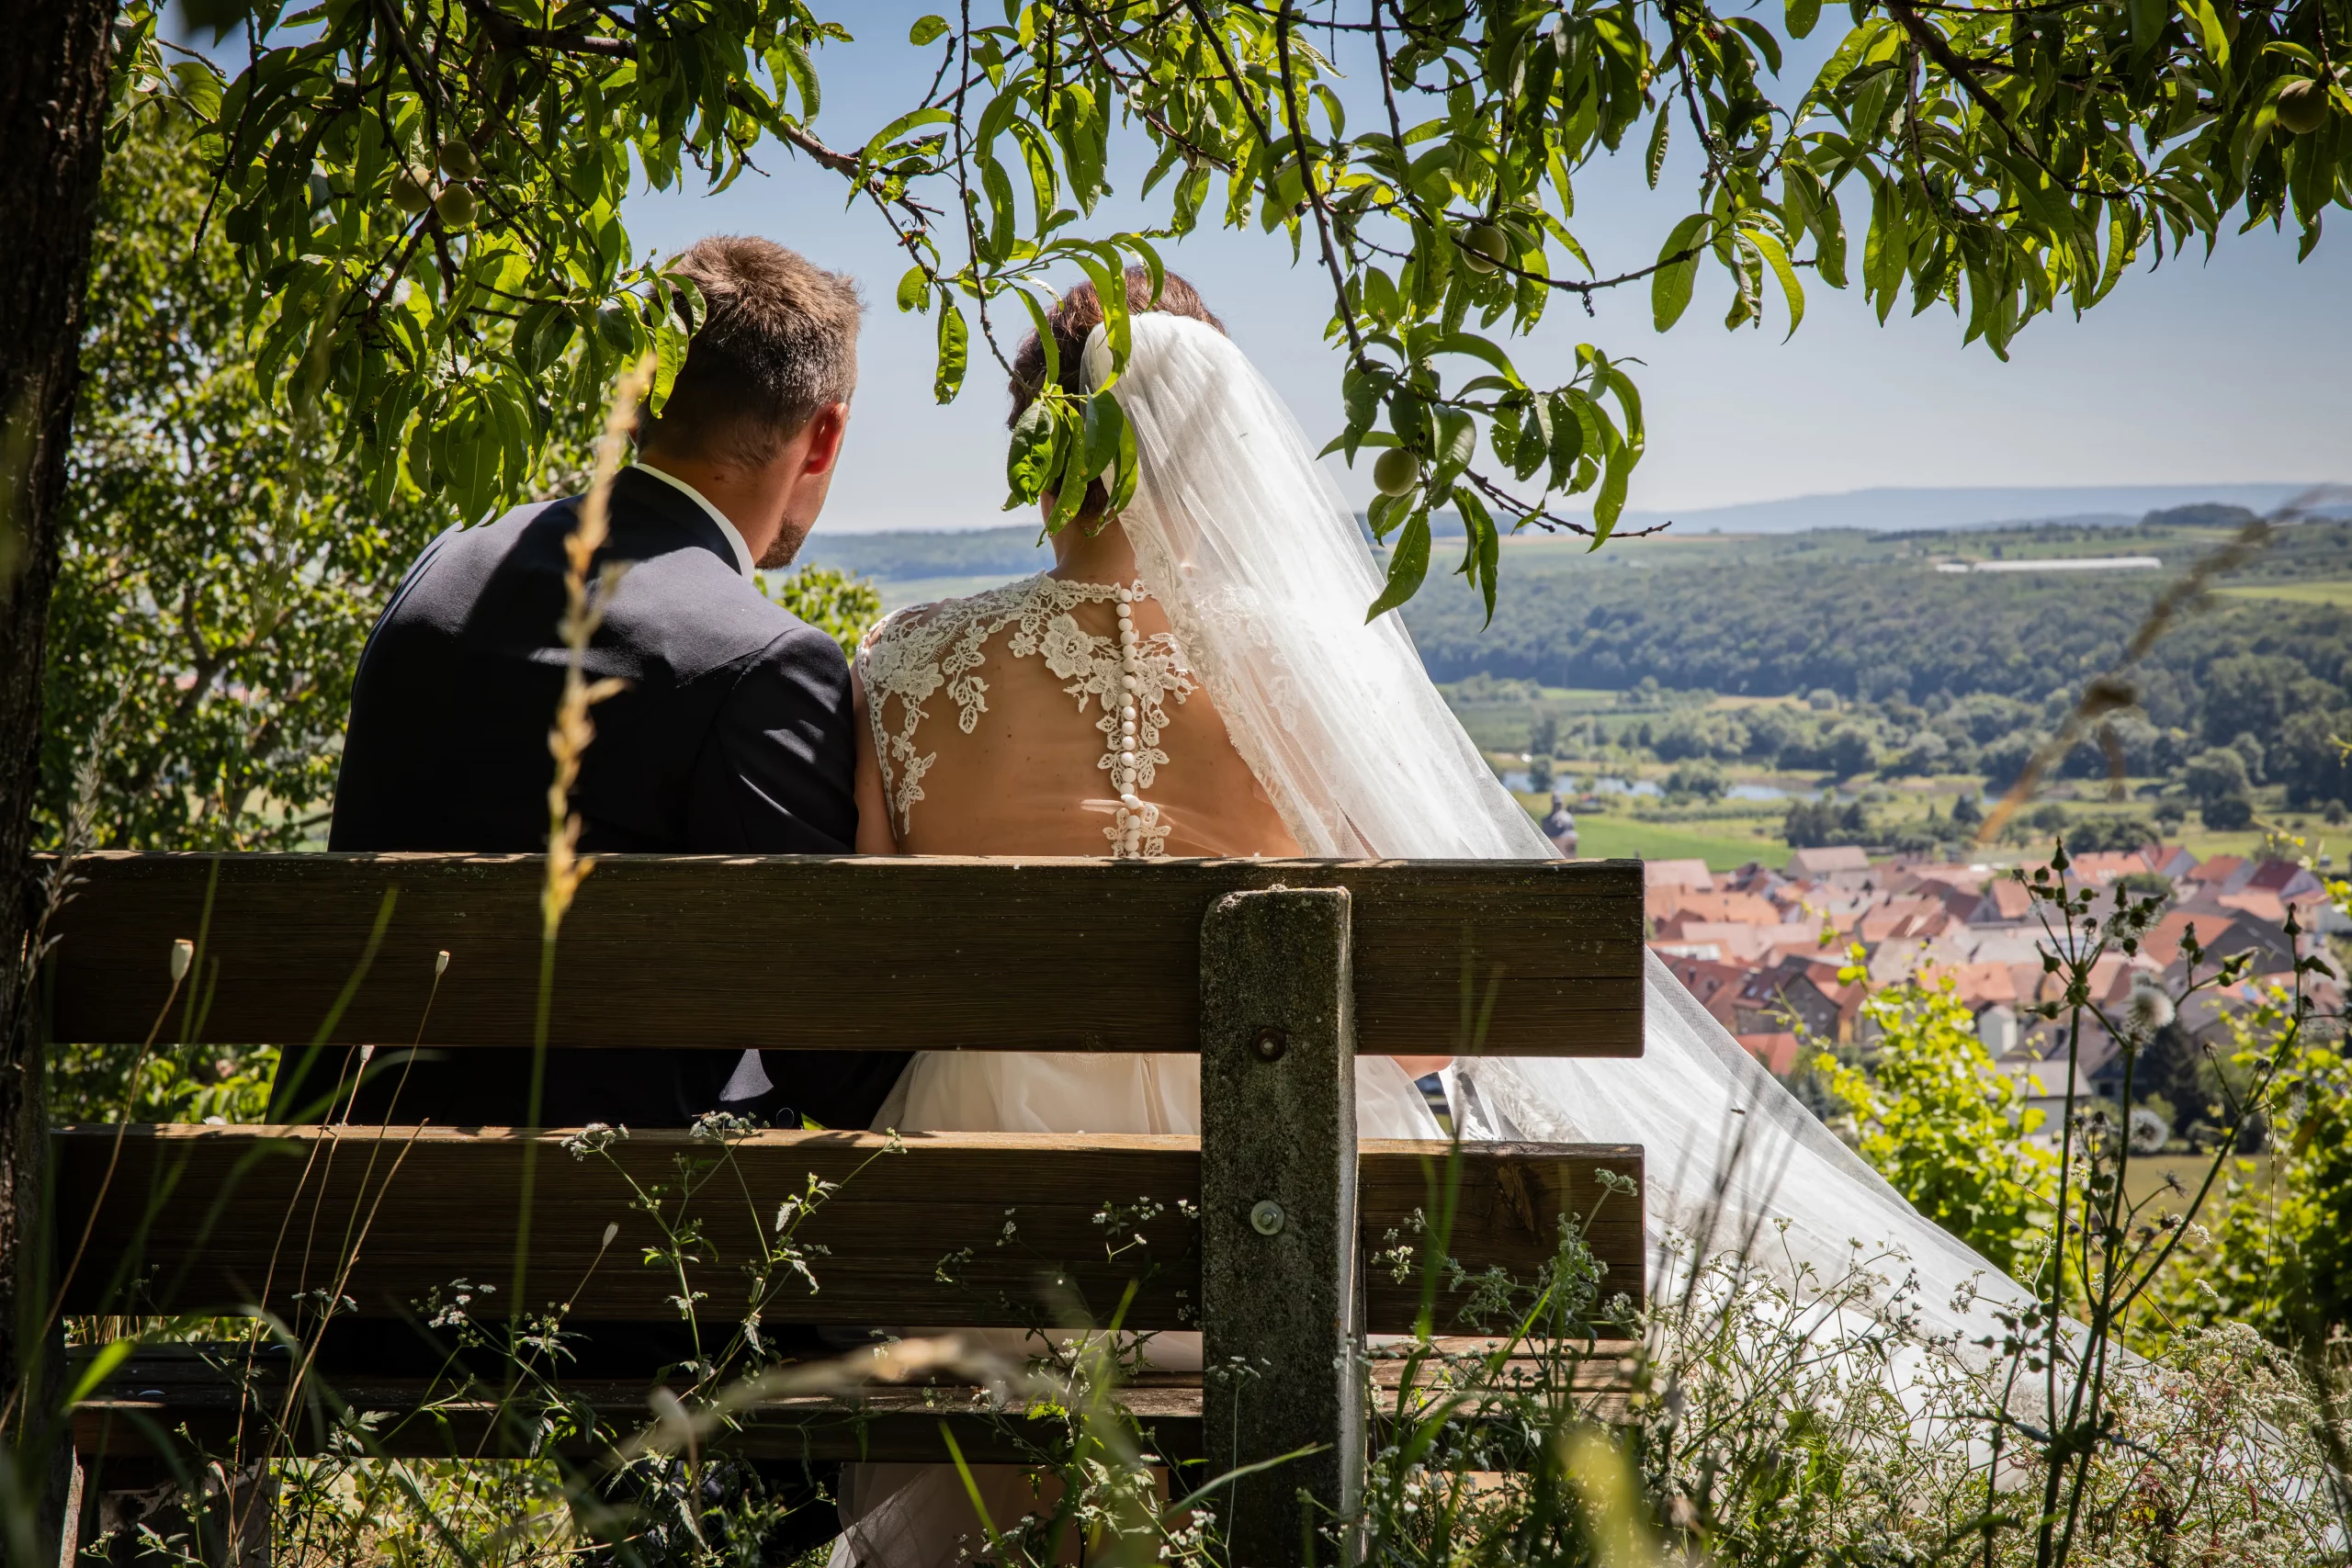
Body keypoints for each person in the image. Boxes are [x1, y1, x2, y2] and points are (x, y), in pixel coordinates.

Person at [832, 273, 2038, 1565]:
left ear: (1036, 447)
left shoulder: (905, 660)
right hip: (1274, 1227)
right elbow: (1413, 1037)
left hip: (978, 1243)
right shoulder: (1309, 665)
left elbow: (868, 983)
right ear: (1226, 443)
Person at [282, 234, 907, 1135]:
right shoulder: (763, 661)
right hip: (599, 1227)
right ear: (825, 435)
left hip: (329, 1193)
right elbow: (838, 1065)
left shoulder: (447, 569)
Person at [1541, 790, 1579, 856]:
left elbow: (1572, 840)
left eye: (1559, 803)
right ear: (1553, 803)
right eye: (1556, 804)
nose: (1557, 806)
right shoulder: (1546, 820)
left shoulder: (1569, 818)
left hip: (1567, 852)